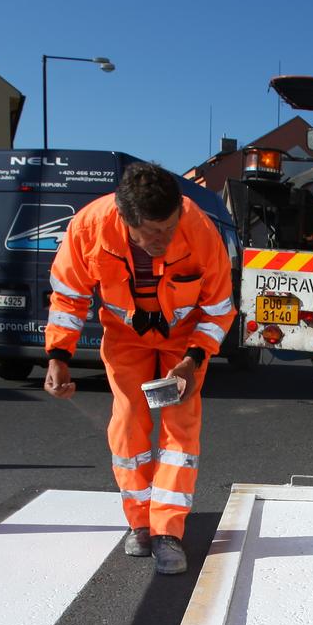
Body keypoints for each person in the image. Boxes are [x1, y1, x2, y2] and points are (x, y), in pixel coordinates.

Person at [43, 161, 235, 576]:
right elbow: (69, 295)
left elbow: (219, 309)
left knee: (180, 427)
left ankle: (168, 530)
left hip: (184, 341)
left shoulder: (199, 229)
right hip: (127, 336)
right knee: (128, 421)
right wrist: (59, 355)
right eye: (152, 233)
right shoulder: (89, 228)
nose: (163, 241)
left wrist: (193, 359)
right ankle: (140, 522)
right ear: (126, 220)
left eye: (169, 228)